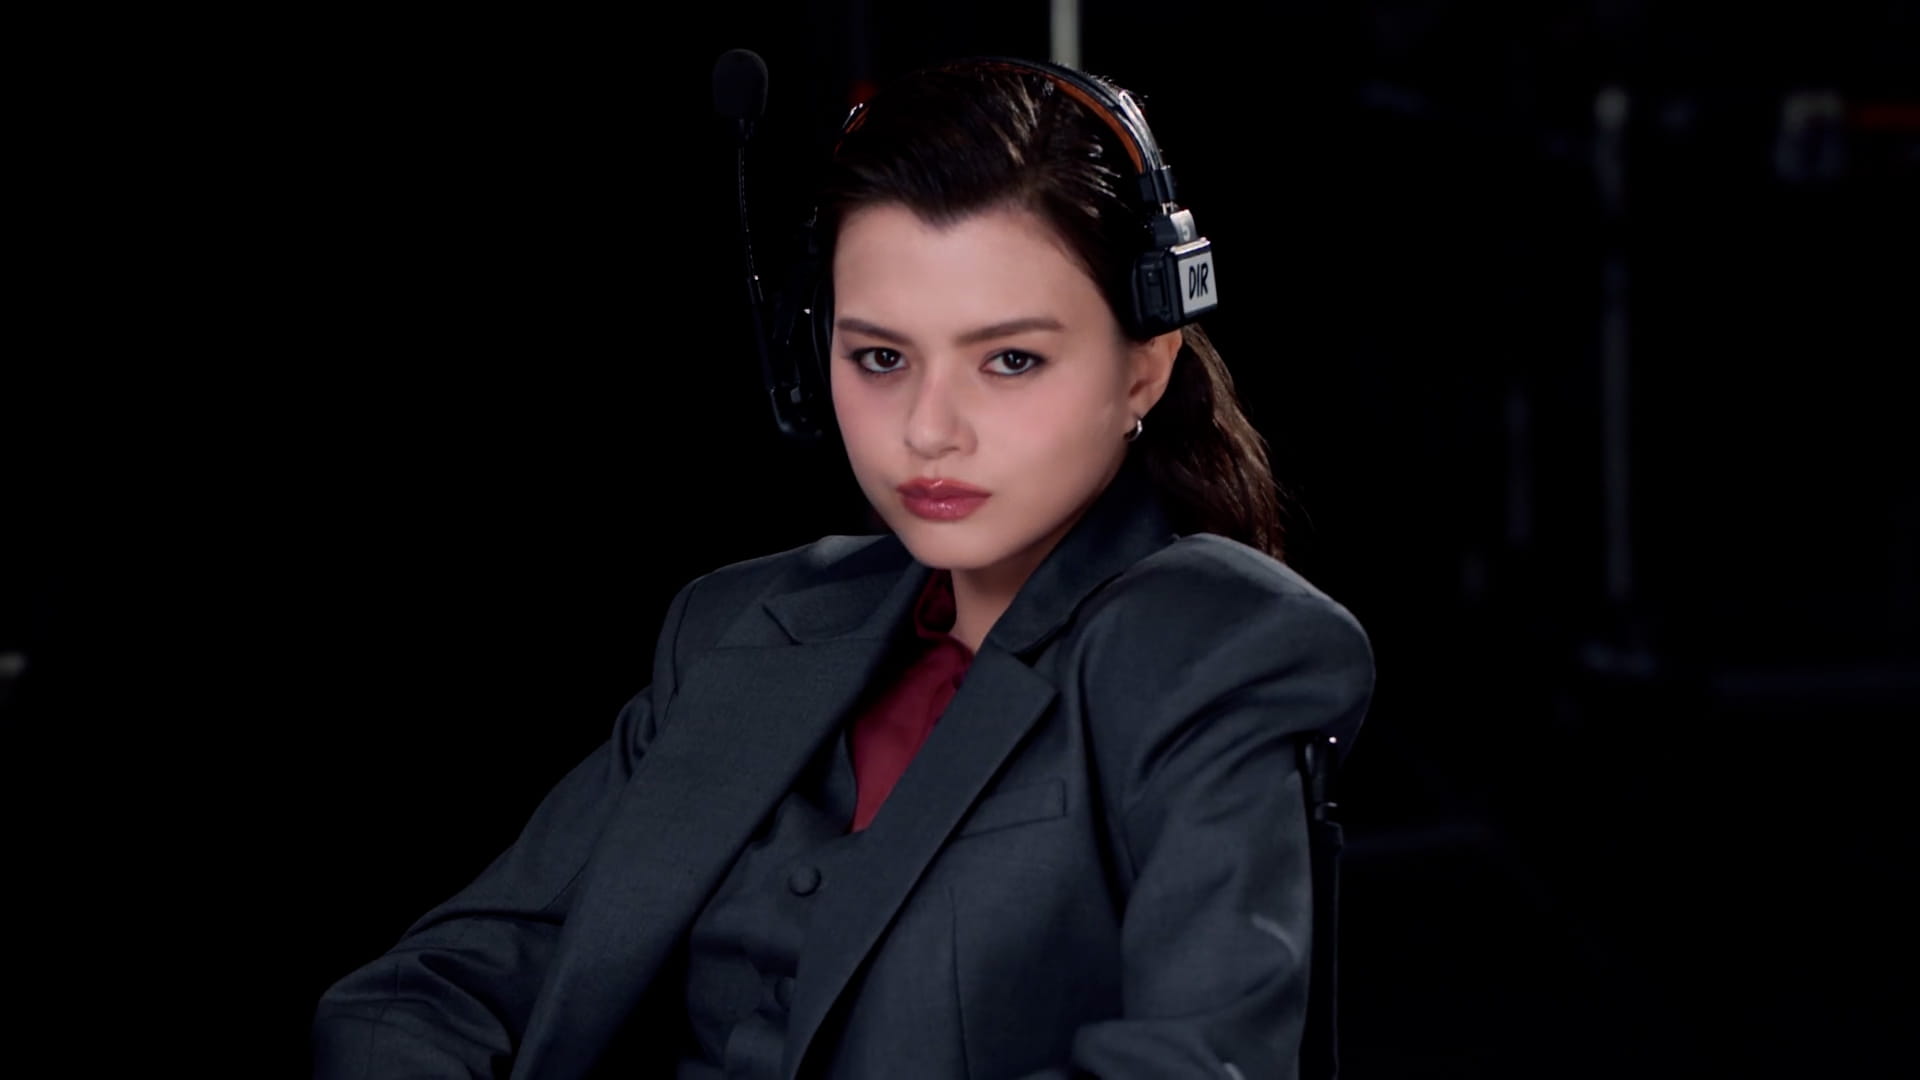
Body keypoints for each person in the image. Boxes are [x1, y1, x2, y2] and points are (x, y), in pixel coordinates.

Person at [313, 55, 1375, 1080]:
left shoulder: (1219, 648)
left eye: (1010, 360)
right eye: (881, 358)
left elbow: (1194, 1063)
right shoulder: (740, 625)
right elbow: (426, 995)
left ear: (1146, 366)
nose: (928, 430)